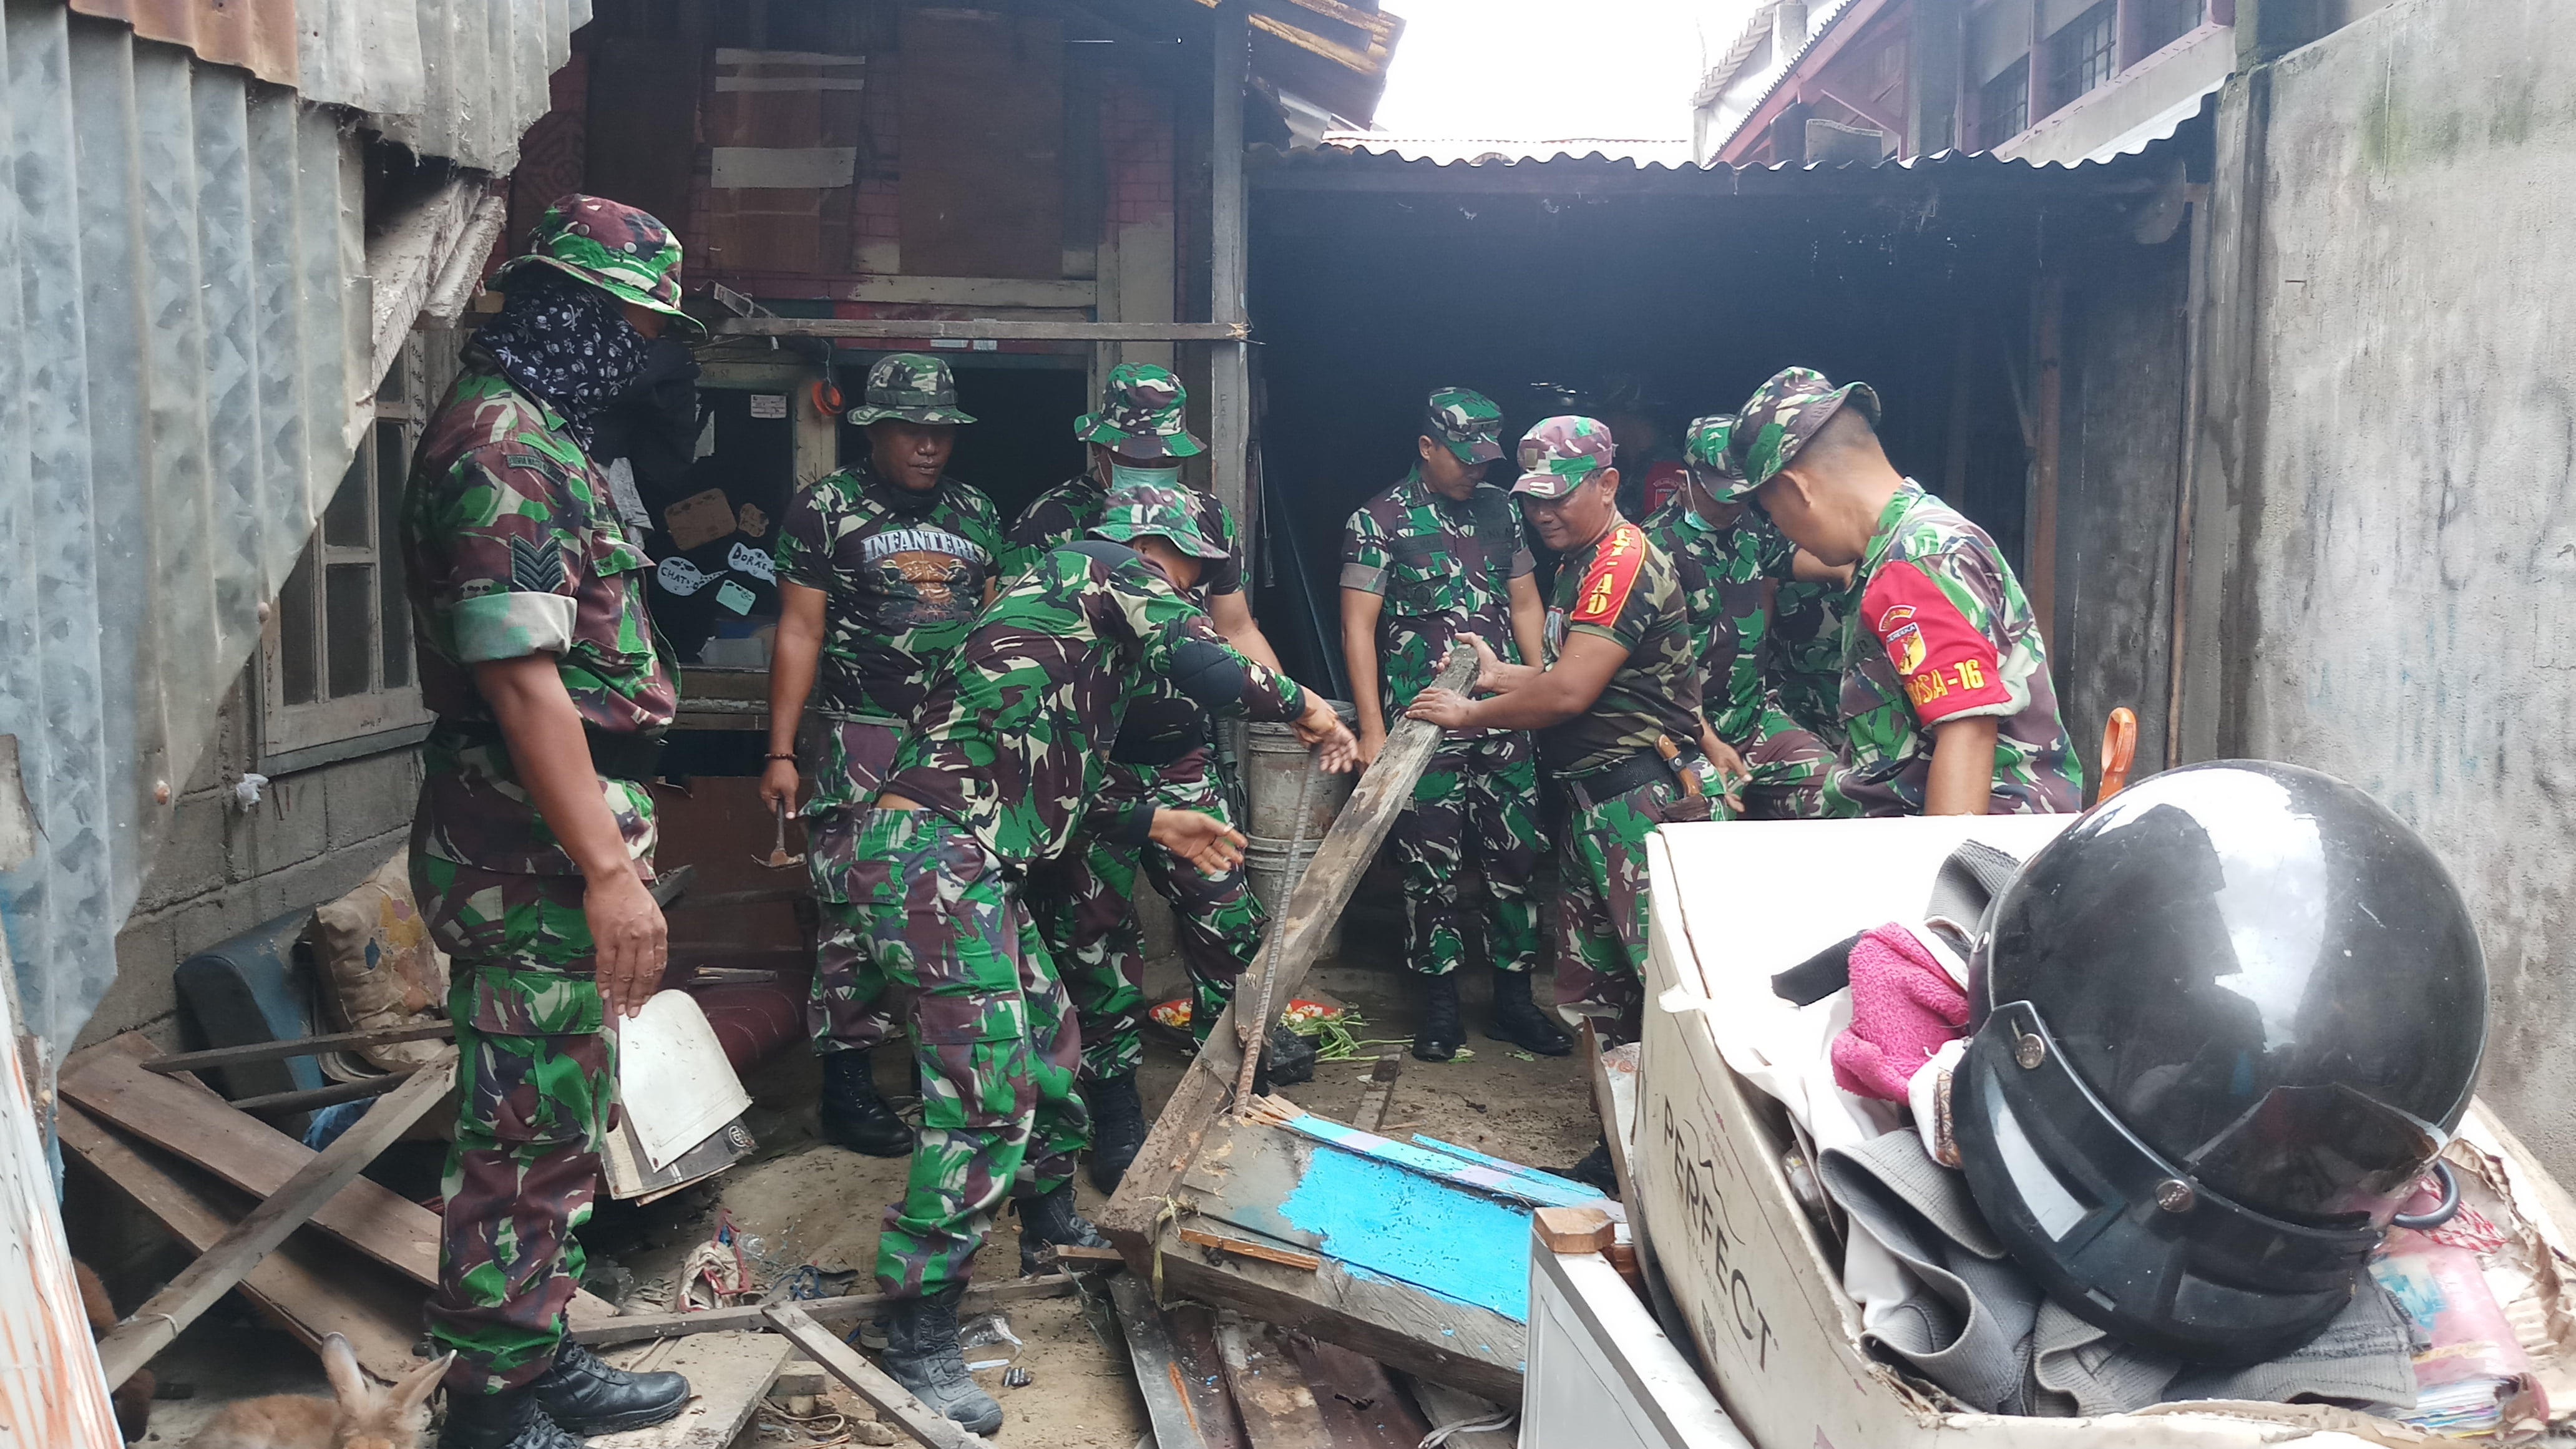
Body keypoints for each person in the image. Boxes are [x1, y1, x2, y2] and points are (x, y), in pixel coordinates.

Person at [851, 493, 1357, 1432]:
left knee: (1050, 1042)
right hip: (929, 857)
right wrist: (1311, 710)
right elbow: (1208, 663)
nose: (1194, 591)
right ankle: (917, 1324)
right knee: (985, 1089)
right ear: (1162, 557)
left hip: (975, 855)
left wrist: (1162, 818)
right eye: (1190, 574)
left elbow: (1034, 781)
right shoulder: (1103, 564)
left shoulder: (1072, 645)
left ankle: (1047, 1222)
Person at [401, 195, 699, 1449]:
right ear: (568, 310)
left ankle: (535, 1348)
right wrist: (606, 871)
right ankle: (487, 1404)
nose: (639, 351)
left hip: (552, 842)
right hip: (519, 847)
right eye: (628, 323)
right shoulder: (503, 444)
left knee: (561, 1118)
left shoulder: (551, 438)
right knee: (523, 1128)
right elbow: (524, 684)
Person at [1003, 364, 1293, 1193]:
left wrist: (1285, 712)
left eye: (1163, 460)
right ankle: (1117, 1103)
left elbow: (1235, 626)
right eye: (1134, 458)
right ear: (1098, 454)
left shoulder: (1203, 517)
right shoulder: (1049, 522)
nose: (1149, 473)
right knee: (1093, 938)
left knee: (1226, 918)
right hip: (1091, 765)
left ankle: (1239, 1079)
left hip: (1182, 754)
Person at [759, 354, 1002, 1161]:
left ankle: (954, 1075)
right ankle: (849, 1084)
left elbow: (998, 627)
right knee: (854, 915)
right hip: (862, 735)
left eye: (941, 430)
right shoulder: (823, 509)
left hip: (954, 740)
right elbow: (799, 631)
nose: (929, 446)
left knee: (963, 900)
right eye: (911, 429)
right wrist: (782, 750)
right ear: (876, 429)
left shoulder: (975, 509)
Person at [1406, 416, 1709, 1040]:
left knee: (1676, 1003)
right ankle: (1620, 1138)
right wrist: (1498, 675)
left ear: (1607, 484)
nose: (1543, 513)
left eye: (1559, 496)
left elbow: (1569, 693)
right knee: (1606, 1000)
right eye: (1533, 499)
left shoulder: (1620, 564)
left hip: (1641, 806)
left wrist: (1468, 713)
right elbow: (1578, 678)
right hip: (1597, 805)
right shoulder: (1581, 561)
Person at [1723, 368, 2083, 815]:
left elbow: (1966, 734)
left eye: (1774, 513)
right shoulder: (1907, 545)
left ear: (1799, 490)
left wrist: (1942, 882)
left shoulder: (1913, 560)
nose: (1784, 532)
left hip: (1974, 854)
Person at [1339, 388, 1564, 1063]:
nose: (1477, 470)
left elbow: (1525, 601)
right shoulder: (1377, 518)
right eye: (1463, 457)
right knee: (1426, 865)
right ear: (1426, 447)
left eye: (1485, 458)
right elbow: (1359, 627)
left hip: (1503, 715)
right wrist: (1374, 732)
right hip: (1423, 723)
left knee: (1516, 858)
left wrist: (1543, 684)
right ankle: (1438, 1004)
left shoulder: (1503, 510)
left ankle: (1514, 1001)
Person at [1641, 414, 1840, 820]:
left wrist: (1865, 562)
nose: (1733, 505)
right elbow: (1649, 681)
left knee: (1837, 790)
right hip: (1685, 732)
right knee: (1711, 822)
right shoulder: (1652, 550)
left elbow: (1797, 559)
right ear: (1684, 480)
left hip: (1753, 718)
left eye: (1742, 494)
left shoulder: (1748, 524)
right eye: (1721, 494)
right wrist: (1707, 741)